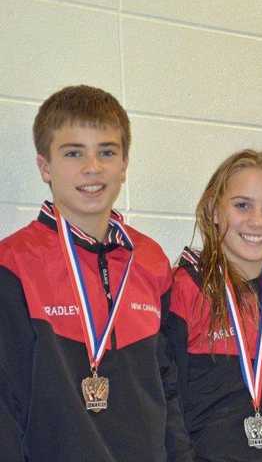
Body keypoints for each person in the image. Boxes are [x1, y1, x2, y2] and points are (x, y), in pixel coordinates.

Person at [0, 85, 192, 461]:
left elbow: (168, 387)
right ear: (45, 166)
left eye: (107, 151)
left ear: (123, 165)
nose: (93, 167)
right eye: (74, 153)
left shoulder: (150, 260)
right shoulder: (13, 264)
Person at [165, 149, 262, 461]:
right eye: (242, 205)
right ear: (213, 208)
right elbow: (167, 410)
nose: (257, 221)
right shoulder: (183, 292)